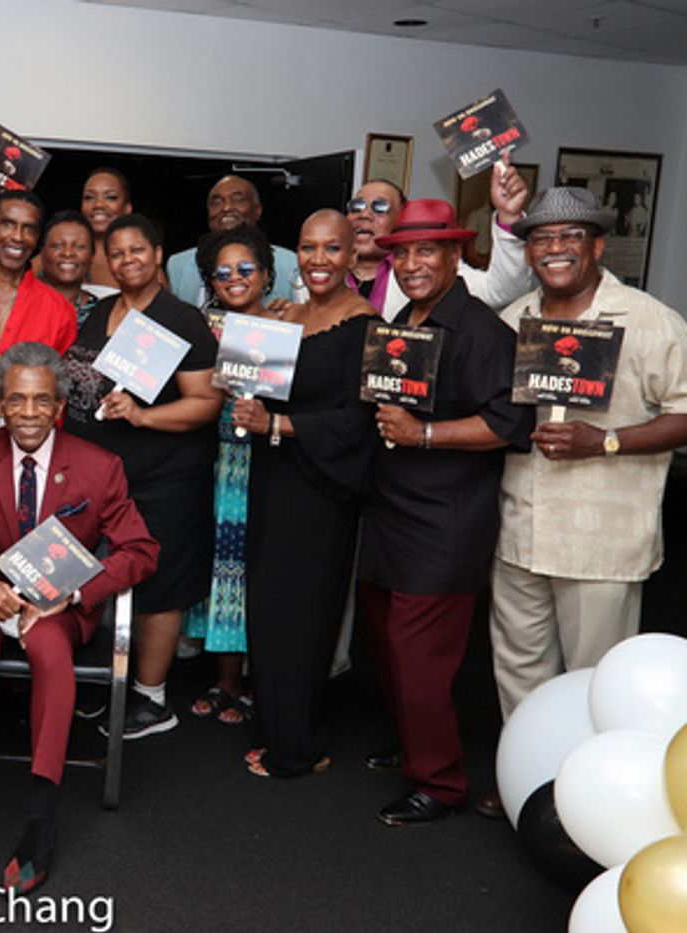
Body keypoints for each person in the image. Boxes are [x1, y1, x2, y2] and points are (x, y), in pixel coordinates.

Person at [0, 341, 159, 895]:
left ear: (58, 407)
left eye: (40, 401)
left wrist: (72, 595)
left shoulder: (99, 467)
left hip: (60, 606)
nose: (28, 413)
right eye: (16, 400)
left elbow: (141, 550)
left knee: (51, 650)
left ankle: (41, 816)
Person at [489, 187, 687, 776]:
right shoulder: (512, 320)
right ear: (528, 255)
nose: (554, 249)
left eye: (570, 236)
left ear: (598, 245)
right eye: (541, 239)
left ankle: (587, 792)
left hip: (602, 539)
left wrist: (604, 439)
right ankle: (527, 780)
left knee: (594, 681)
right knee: (519, 672)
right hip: (520, 526)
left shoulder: (649, 320)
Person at [356, 199, 533, 826]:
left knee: (420, 657)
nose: (410, 264)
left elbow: (509, 423)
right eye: (401, 253)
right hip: (391, 510)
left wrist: (423, 435)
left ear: (457, 256)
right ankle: (413, 746)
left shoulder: (483, 331)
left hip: (443, 522)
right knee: (386, 644)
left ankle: (441, 782)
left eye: (425, 251)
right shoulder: (406, 315)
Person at [62, 214, 222, 739]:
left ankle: (152, 699)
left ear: (158, 256)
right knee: (93, 579)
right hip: (98, 477)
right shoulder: (101, 310)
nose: (127, 260)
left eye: (138, 251)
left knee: (158, 584)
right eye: (118, 253)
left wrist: (144, 416)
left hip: (164, 478)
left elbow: (205, 403)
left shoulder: (182, 320)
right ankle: (107, 682)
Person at [230, 210, 377, 778]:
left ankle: (297, 749)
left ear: (352, 255)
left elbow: (354, 421)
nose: (320, 260)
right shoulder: (290, 317)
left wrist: (275, 425)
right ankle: (277, 727)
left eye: (332, 249)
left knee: (302, 616)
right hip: (275, 479)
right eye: (309, 248)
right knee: (269, 608)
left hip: (320, 490)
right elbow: (263, 383)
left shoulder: (364, 325)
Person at [181, 224, 277, 726]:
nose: (235, 279)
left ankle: (266, 681)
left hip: (271, 464)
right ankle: (226, 681)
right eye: (222, 273)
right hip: (216, 464)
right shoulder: (203, 329)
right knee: (222, 573)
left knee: (263, 573)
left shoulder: (288, 328)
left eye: (246, 269)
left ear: (266, 274)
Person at [345, 151, 534, 319]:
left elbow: (502, 291)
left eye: (380, 207)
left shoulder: (423, 268)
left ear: (399, 220)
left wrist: (509, 216)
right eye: (356, 206)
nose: (364, 214)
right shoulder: (325, 267)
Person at [0, 190, 77, 356]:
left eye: (28, 229)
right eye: (7, 224)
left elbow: (59, 379)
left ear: (37, 238)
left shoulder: (59, 311)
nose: (18, 236)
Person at [166, 175, 300, 307]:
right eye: (217, 203)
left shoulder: (290, 263)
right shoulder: (178, 265)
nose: (226, 208)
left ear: (257, 210)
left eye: (237, 200)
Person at [37, 209, 104, 327]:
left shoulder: (101, 313)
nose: (67, 253)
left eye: (79, 247)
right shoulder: (20, 301)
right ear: (42, 252)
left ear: (92, 256)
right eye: (58, 246)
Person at [78, 167, 132, 293]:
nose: (98, 205)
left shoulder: (139, 259)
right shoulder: (62, 253)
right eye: (89, 197)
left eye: (111, 197)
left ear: (127, 208)